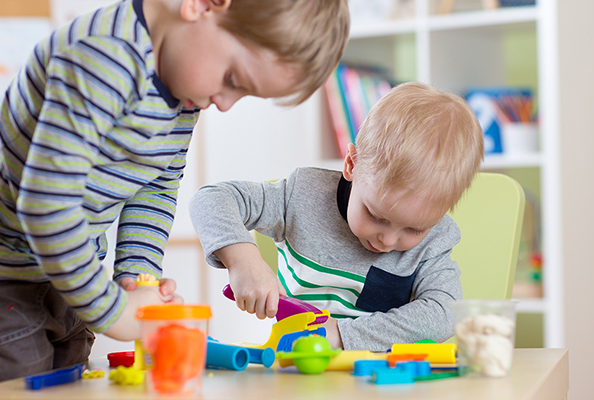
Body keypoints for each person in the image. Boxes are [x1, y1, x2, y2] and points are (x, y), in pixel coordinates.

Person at [0, 0, 350, 380]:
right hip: (10, 282)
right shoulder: (104, 56)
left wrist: (137, 276)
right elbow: (46, 204)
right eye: (232, 79)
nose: (225, 103)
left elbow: (154, 185)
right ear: (202, 6)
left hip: (69, 278)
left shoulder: (182, 96)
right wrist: (112, 311)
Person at [189, 82, 484, 351]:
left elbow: (445, 312)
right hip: (302, 373)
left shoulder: (435, 239)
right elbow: (211, 199)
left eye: (414, 229)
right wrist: (243, 260)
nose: (389, 239)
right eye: (377, 216)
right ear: (351, 164)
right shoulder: (301, 195)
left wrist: (340, 334)